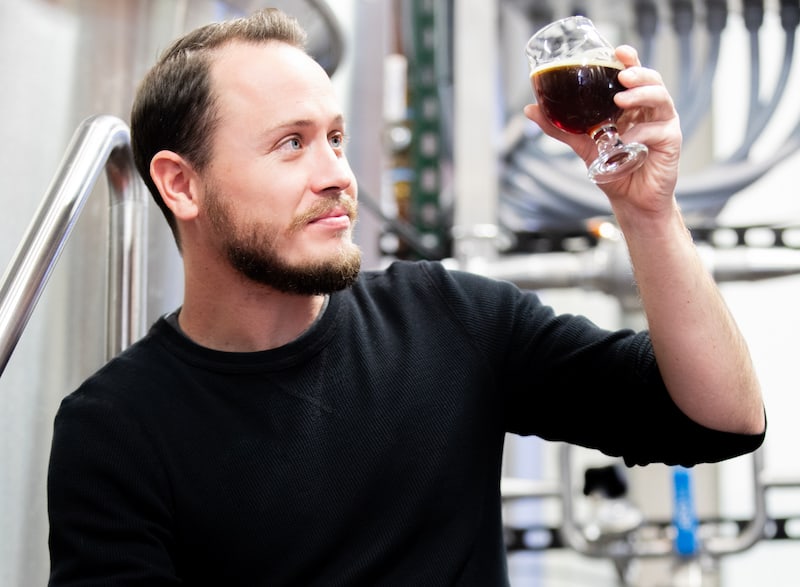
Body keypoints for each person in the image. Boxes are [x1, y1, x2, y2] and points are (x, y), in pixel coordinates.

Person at [46, 7, 766, 587]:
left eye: (335, 136)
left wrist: (647, 213)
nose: (337, 175)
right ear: (181, 184)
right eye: (291, 144)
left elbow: (720, 420)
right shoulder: (114, 429)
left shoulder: (451, 319)